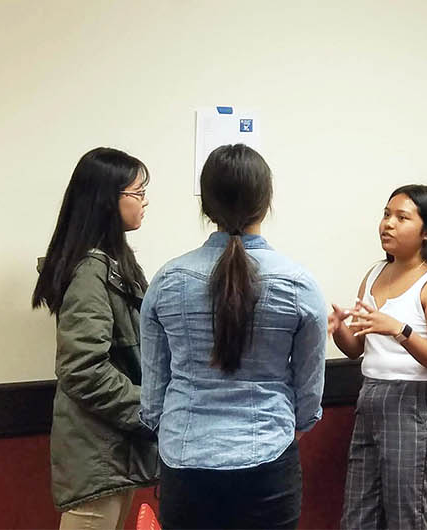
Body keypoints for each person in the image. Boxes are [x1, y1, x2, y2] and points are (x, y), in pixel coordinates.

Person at [139, 144, 326, 529]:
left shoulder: (168, 281)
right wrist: (288, 427)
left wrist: (167, 428)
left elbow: (153, 395)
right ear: (266, 201)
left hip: (185, 461)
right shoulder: (299, 284)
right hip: (268, 460)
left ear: (206, 206)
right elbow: (309, 395)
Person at [32, 147, 158, 530]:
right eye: (137, 193)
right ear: (108, 199)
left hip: (112, 453)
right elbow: (83, 369)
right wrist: (150, 408)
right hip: (98, 456)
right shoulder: (91, 271)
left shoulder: (113, 263)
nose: (144, 201)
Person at [331, 184, 427, 529]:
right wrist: (339, 329)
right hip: (373, 397)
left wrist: (400, 331)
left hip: (418, 405)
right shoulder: (375, 272)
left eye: (401, 217)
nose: (387, 224)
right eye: (386, 214)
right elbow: (358, 349)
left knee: (406, 520)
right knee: (356, 520)